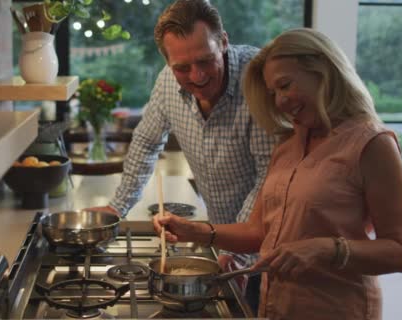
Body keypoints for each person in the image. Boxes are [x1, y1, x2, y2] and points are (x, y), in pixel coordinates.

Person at [153, 28, 402, 319]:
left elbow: (399, 252)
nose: (279, 101)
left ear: (323, 70)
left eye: (285, 85)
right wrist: (197, 232)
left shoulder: (372, 144)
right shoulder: (289, 142)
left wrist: (327, 249)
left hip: (336, 309)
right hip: (275, 306)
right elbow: (258, 232)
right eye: (272, 92)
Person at [87, 0, 275, 311]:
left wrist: (237, 251)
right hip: (219, 241)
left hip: (266, 248)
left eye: (206, 61)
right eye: (182, 68)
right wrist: (116, 207)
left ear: (224, 42)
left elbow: (268, 176)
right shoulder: (166, 82)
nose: (197, 76)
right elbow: (147, 142)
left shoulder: (256, 80)